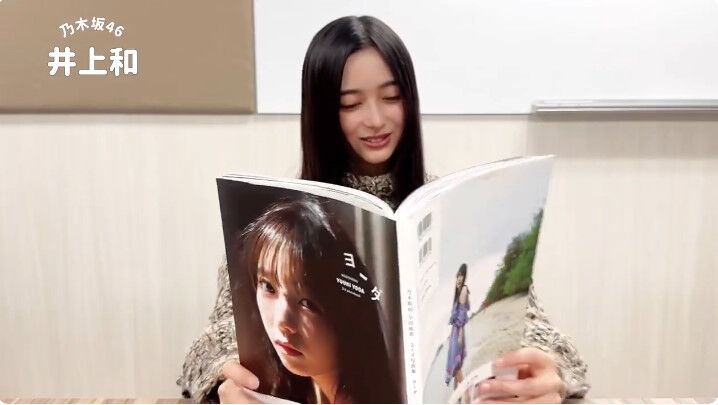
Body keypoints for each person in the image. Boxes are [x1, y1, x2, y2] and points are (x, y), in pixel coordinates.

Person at [177, 15, 590, 404]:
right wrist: (224, 377)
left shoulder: (450, 205)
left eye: (391, 97)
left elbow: (538, 331)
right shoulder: (287, 216)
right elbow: (213, 344)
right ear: (322, 112)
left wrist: (548, 370)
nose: (376, 120)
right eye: (350, 104)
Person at [229, 197, 401, 403]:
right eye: (268, 286)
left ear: (349, 316)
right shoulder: (292, 388)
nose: (282, 321)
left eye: (308, 303)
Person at [446, 264, 470, 388]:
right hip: (455, 332)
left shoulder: (464, 290)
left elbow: (461, 315)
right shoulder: (459, 291)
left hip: (458, 332)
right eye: (458, 275)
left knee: (456, 365)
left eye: (462, 275)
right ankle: (458, 392)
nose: (459, 278)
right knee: (456, 365)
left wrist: (460, 335)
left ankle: (465, 392)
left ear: (465, 277)